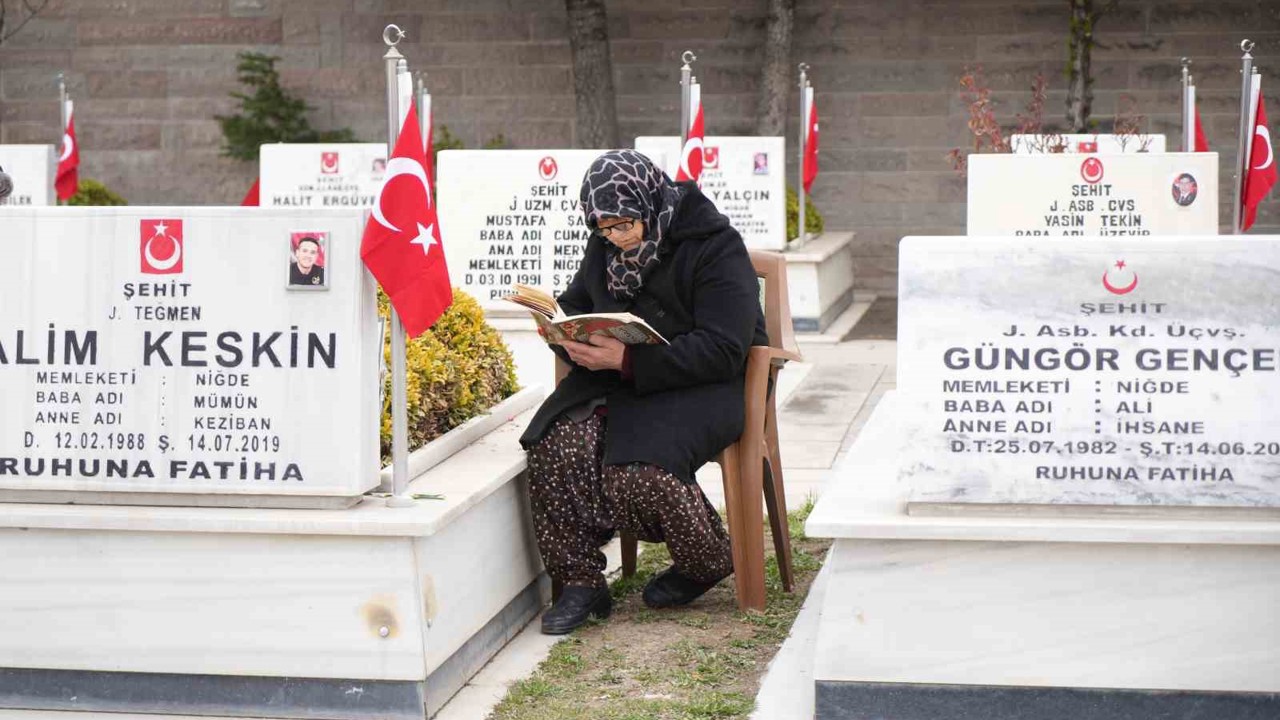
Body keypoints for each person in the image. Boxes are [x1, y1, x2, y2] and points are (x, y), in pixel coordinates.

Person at [519, 149, 767, 635]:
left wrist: (629, 360)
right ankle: (580, 581)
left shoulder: (714, 245)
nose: (617, 237)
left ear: (649, 202)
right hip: (622, 380)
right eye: (605, 228)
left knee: (639, 468)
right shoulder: (605, 248)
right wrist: (566, 335)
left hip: (704, 383)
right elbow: (575, 303)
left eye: (625, 224)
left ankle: (707, 559)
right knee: (553, 443)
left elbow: (724, 348)